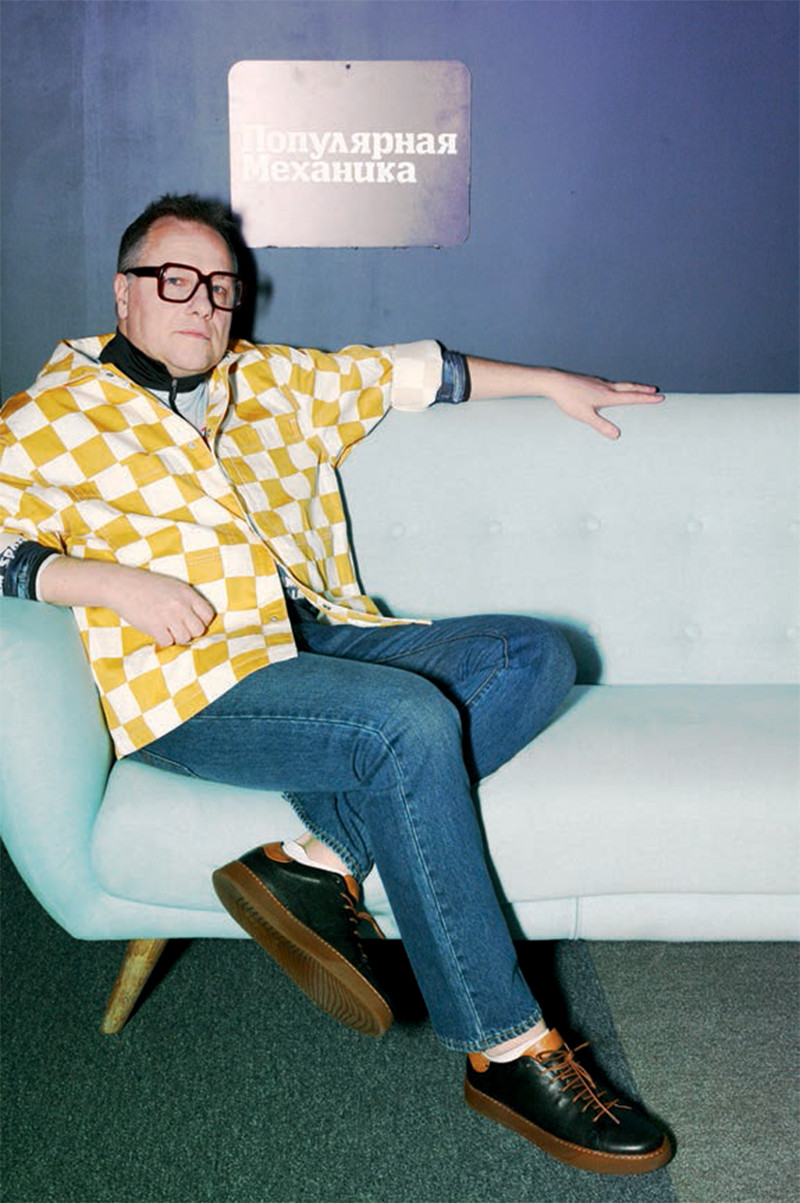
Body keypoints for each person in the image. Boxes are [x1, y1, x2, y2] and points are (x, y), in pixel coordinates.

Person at [0, 194, 672, 1176]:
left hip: (320, 639)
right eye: (175, 281)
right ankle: (506, 1048)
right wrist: (94, 579)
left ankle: (320, 858)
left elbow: (416, 372)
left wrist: (550, 383)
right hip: (191, 681)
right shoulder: (48, 416)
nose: (203, 303)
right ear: (123, 292)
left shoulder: (266, 379)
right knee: (405, 725)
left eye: (221, 287)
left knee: (531, 655)